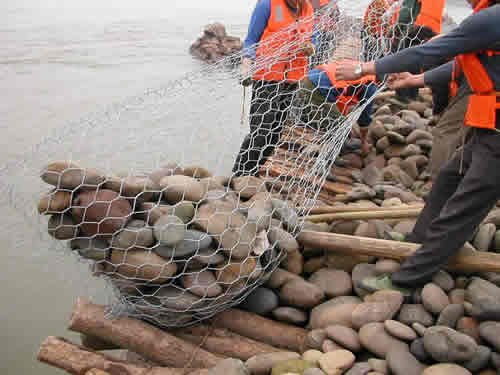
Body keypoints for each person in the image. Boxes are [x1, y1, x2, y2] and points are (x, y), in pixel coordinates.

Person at [336, 0, 500, 294]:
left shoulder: (491, 19)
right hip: (488, 128)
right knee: (449, 179)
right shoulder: (488, 22)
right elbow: (461, 62)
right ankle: (419, 237)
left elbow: (426, 52)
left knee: (462, 209)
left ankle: (406, 280)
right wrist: (417, 79)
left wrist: (364, 68)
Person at [233, 0, 315, 177]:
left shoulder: (308, 8)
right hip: (267, 77)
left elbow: (312, 38)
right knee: (261, 131)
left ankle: (252, 173)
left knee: (275, 134)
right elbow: (251, 40)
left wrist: (310, 48)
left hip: (291, 80)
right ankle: (239, 176)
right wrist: (247, 62)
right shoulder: (267, 5)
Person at [299, 61, 378, 155]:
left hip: (307, 79)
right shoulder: (370, 86)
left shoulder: (362, 69)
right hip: (316, 88)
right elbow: (364, 120)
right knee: (340, 129)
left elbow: (340, 102)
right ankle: (330, 157)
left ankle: (326, 148)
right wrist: (363, 142)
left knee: (336, 124)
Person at [390, 0, 446, 102]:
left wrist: (396, 30)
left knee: (405, 61)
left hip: (416, 28)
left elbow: (405, 13)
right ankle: (417, 94)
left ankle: (404, 95)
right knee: (422, 62)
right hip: (434, 29)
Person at [309, 0, 340, 66]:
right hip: (317, 30)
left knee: (320, 53)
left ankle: (317, 65)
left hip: (325, 31)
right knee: (315, 53)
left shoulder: (333, 6)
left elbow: (336, 18)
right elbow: (315, 10)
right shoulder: (318, 3)